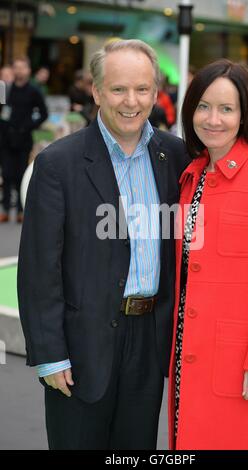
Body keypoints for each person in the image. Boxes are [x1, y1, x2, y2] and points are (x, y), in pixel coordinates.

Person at [17, 39, 190, 450]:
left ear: (155, 92)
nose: (131, 101)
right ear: (96, 91)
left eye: (142, 89)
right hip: (80, 349)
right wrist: (50, 355)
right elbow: (40, 267)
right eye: (118, 89)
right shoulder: (58, 163)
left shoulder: (177, 154)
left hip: (148, 344)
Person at [168, 59, 248, 450]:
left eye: (226, 108)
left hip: (241, 362)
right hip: (187, 354)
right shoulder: (190, 177)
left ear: (244, 115)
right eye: (203, 106)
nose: (213, 119)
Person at [0, 57, 48, 223]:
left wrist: (29, 126)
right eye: (16, 67)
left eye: (22, 67)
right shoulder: (6, 89)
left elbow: (44, 113)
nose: (19, 71)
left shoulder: (34, 91)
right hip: (5, 139)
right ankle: (5, 209)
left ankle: (21, 210)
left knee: (21, 174)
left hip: (23, 139)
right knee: (6, 174)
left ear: (28, 70)